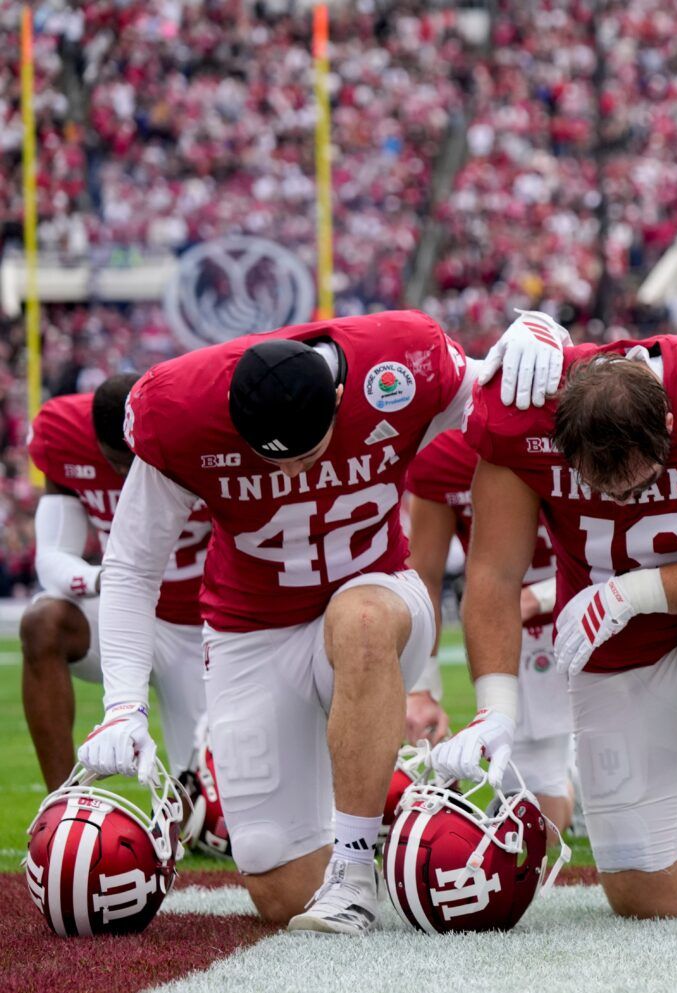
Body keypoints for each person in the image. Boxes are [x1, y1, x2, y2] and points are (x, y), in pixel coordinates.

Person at [77, 309, 563, 933]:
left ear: (339, 397)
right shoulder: (180, 409)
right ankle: (390, 806)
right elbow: (132, 566)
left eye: (305, 453)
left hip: (378, 600)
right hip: (250, 628)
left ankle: (357, 876)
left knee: (357, 618)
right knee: (282, 894)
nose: (290, 475)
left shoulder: (400, 364)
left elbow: (506, 388)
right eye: (269, 460)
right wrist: (122, 706)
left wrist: (544, 335)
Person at [436, 333, 677, 935]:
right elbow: (493, 573)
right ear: (557, 440)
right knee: (646, 897)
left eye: (634, 482)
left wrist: (630, 592)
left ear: (668, 420)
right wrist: (496, 711)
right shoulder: (518, 414)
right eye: (601, 485)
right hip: (617, 657)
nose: (620, 497)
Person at [22, 376, 211, 790]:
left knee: (210, 808)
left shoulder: (200, 433)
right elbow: (51, 557)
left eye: (137, 458)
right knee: (43, 621)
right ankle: (61, 804)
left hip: (202, 627)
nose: (131, 474)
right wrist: (105, 580)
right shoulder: (64, 435)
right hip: (122, 618)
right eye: (118, 461)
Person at [404, 431, 572, 831]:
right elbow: (424, 572)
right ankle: (564, 777)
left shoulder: (564, 428)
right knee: (535, 821)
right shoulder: (441, 453)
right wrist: (421, 688)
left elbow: (616, 546)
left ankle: (576, 770)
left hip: (596, 609)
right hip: (512, 634)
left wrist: (539, 597)